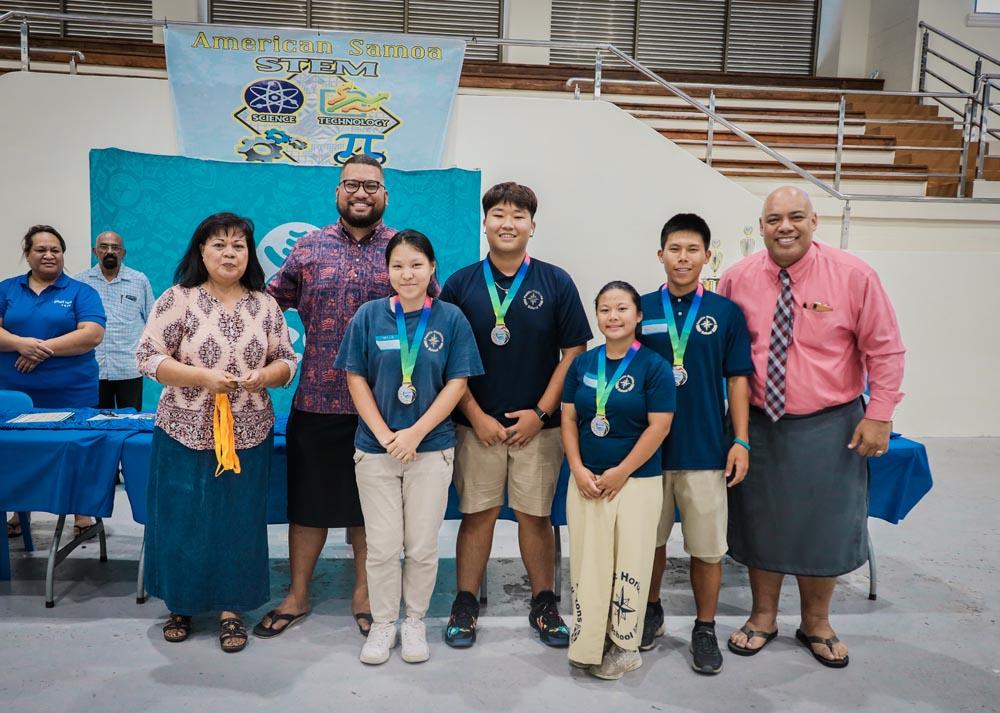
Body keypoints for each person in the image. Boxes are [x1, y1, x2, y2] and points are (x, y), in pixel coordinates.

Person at [718, 186, 905, 669]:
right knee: (760, 523)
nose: (785, 227)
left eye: (796, 217)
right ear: (762, 227)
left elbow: (885, 348)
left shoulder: (854, 276)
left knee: (824, 527)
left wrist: (880, 413)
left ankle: (816, 622)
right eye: (774, 219)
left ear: (814, 221)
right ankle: (762, 616)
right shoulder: (736, 279)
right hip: (758, 423)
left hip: (832, 424)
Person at [439, 182, 592, 648]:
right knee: (478, 515)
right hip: (476, 427)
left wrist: (541, 413)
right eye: (499, 215)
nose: (508, 224)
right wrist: (475, 415)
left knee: (535, 517)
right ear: (484, 223)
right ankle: (465, 603)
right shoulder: (460, 284)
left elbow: (574, 351)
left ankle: (543, 603)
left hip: (538, 430)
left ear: (532, 225)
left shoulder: (556, 282)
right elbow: (447, 359)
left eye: (518, 216)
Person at [135, 212, 296, 653]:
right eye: (219, 245)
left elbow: (286, 360)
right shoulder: (178, 299)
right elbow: (147, 356)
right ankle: (181, 604)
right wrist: (201, 377)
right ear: (201, 252)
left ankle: (232, 609)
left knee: (238, 521)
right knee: (183, 517)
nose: (230, 253)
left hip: (249, 433)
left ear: (249, 255)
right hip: (183, 430)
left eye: (239, 246)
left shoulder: (265, 305)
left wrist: (265, 377)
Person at [256, 153, 394, 639]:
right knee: (307, 506)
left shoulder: (401, 249)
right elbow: (266, 304)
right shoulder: (309, 248)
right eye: (352, 184)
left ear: (385, 194)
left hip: (384, 407)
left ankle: (365, 594)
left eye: (371, 186)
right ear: (337, 191)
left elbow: (431, 311)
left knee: (371, 510)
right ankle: (297, 594)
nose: (361, 193)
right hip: (316, 398)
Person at [336, 230, 483, 665]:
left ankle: (414, 620)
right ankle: (384, 623)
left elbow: (457, 383)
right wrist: (385, 435)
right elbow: (355, 378)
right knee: (382, 546)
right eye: (398, 265)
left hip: (431, 448)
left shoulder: (451, 319)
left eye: (416, 265)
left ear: (432, 268)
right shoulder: (369, 315)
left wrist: (415, 433)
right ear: (387, 271)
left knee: (421, 546)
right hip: (375, 449)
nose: (407, 274)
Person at [637, 213, 753, 675]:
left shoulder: (726, 313)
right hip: (648, 453)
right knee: (650, 543)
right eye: (674, 249)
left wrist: (740, 439)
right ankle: (650, 610)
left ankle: (705, 627)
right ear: (660, 254)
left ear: (707, 256)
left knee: (706, 548)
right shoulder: (641, 308)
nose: (682, 258)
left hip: (706, 450)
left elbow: (738, 379)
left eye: (692, 250)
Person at [561, 281, 674, 679]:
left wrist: (621, 472)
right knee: (589, 562)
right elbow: (569, 418)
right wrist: (577, 468)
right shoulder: (583, 364)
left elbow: (659, 427)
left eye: (622, 309)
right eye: (605, 309)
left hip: (636, 482)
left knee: (630, 562)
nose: (613, 317)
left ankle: (625, 646)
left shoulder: (654, 367)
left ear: (638, 316)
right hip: (586, 481)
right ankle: (589, 642)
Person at [1, 225, 106, 539]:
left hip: (72, 392)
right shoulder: (7, 289)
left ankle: (82, 513)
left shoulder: (81, 292)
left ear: (63, 254)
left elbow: (92, 334)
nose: (49, 255)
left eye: (55, 250)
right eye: (41, 250)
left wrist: (40, 349)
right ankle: (19, 513)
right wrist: (20, 344)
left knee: (76, 451)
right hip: (15, 394)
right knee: (20, 455)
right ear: (27, 254)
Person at [76, 230, 155, 411]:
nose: (110, 251)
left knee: (130, 419)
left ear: (123, 253)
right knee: (97, 420)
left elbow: (152, 321)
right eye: (104, 247)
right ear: (95, 251)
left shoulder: (139, 280)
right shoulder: (81, 282)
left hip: (129, 367)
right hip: (94, 368)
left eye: (115, 247)